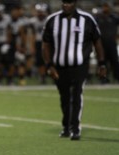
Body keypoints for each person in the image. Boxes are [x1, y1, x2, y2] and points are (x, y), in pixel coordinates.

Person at [42, 0, 107, 140]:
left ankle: (75, 128)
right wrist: (49, 65)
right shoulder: (52, 20)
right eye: (64, 2)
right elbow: (46, 44)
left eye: (69, 2)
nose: (66, 5)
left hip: (80, 65)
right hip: (59, 66)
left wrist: (102, 63)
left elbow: (97, 41)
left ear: (75, 3)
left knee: (76, 94)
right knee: (64, 97)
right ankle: (66, 126)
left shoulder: (87, 19)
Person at [95, 2, 119, 82]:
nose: (105, 8)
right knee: (102, 62)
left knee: (115, 62)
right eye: (104, 7)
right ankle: (103, 79)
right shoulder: (98, 18)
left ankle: (117, 78)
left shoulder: (114, 18)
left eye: (107, 7)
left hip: (112, 43)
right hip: (101, 44)